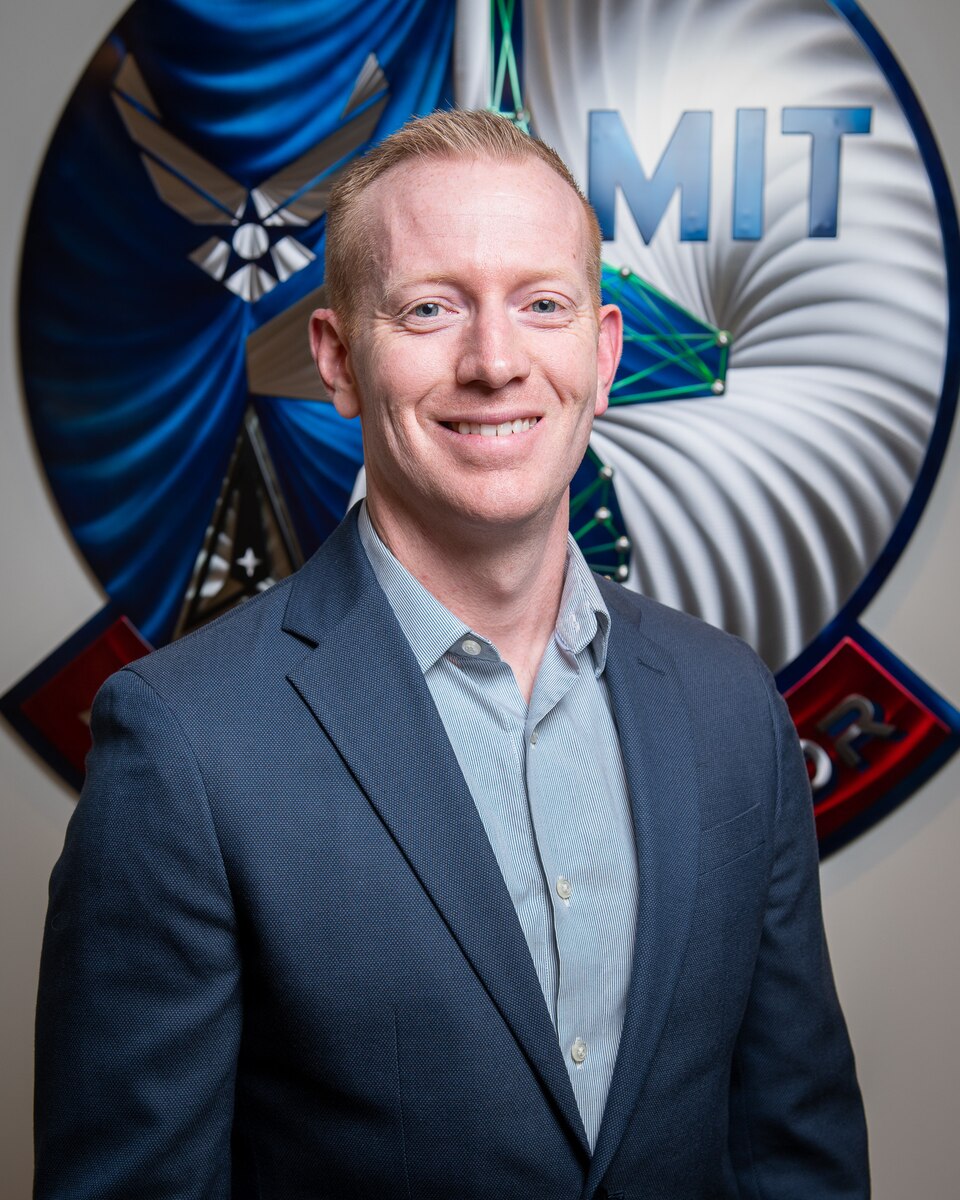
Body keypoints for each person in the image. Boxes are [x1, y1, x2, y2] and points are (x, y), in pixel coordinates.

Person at [35, 109, 869, 1199]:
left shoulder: (728, 703)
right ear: (337, 358)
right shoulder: (184, 744)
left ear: (604, 352)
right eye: (431, 308)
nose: (494, 361)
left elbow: (793, 1149)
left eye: (542, 305)